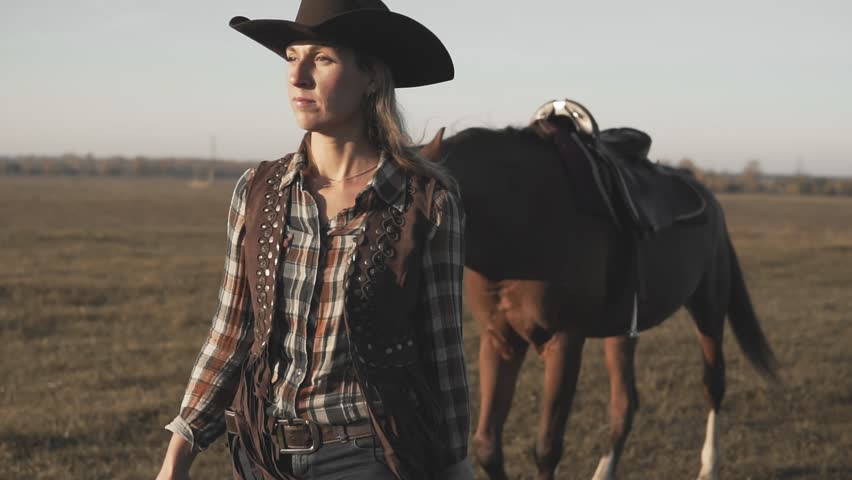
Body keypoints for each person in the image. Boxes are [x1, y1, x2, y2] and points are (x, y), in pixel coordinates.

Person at [155, 1, 471, 479]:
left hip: (367, 457)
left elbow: (443, 352)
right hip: (261, 454)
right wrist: (177, 455)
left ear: (371, 78)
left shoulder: (426, 202)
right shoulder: (257, 191)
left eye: (322, 58)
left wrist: (456, 465)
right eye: (291, 57)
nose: (297, 76)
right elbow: (230, 333)